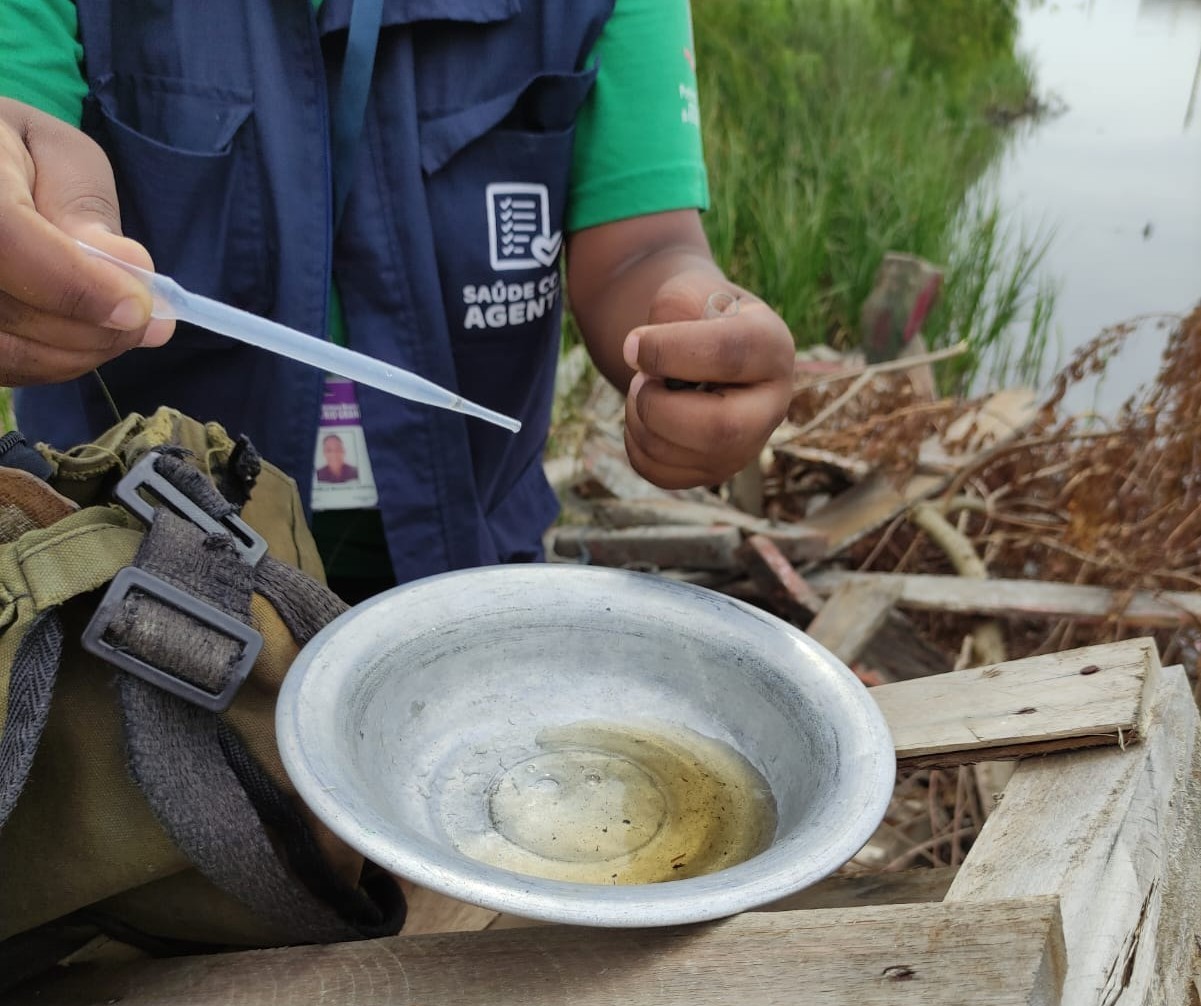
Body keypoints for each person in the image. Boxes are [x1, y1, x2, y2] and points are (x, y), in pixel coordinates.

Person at [0, 0, 795, 598]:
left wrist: (693, 335)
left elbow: (645, 247)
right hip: (136, 574)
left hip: (471, 562)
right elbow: (20, 134)